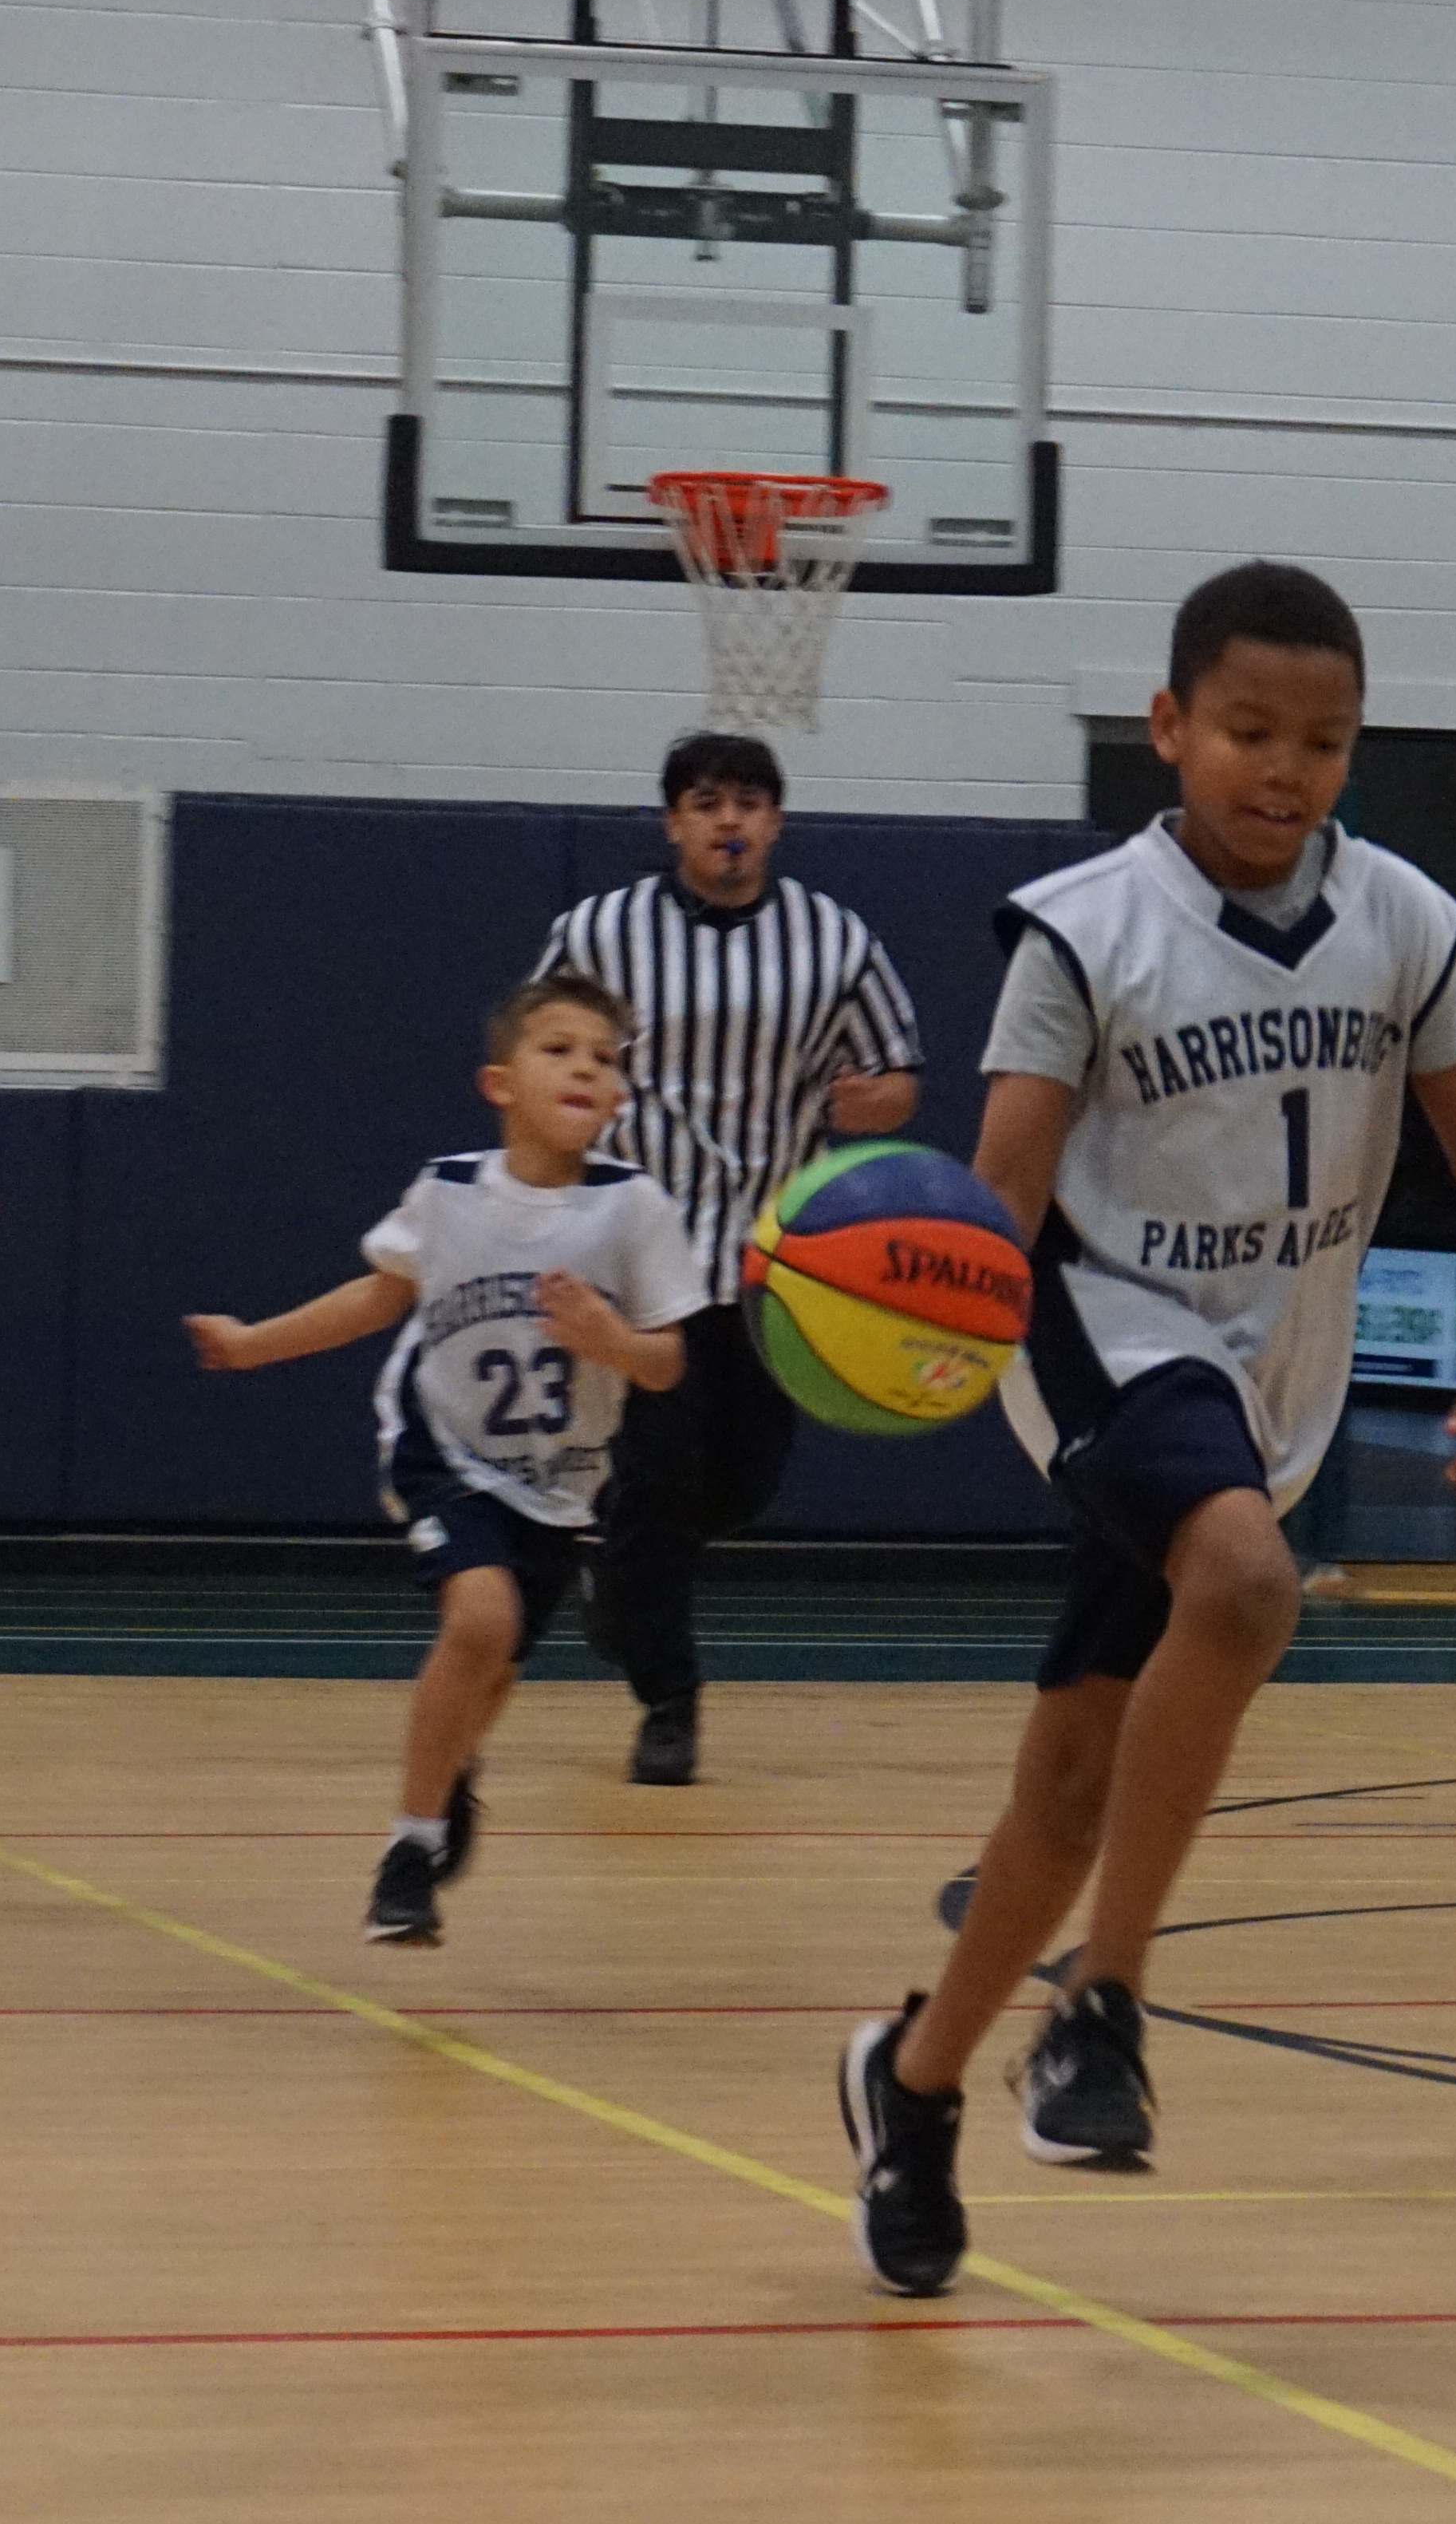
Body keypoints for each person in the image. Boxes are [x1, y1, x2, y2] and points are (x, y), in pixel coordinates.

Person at [836, 562, 1456, 2299]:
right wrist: (883, 1320)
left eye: (1324, 739)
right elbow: (1002, 1194)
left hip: (1270, 1374)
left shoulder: (1404, 921)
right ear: (1167, 728)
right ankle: (1106, 2003)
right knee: (1242, 1587)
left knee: (1071, 1784)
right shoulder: (1083, 929)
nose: (1284, 766)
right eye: (1247, 728)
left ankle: (915, 2080)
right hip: (1105, 1330)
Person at [187, 974, 706, 1947]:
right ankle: (409, 1850)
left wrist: (609, 1338)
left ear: (621, 1096)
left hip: (562, 1482)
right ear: (499, 1082)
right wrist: (256, 1342)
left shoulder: (636, 1210)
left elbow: (669, 1363)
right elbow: (377, 1297)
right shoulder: (451, 1189)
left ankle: (452, 1770)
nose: (586, 1067)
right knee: (481, 1618)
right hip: (446, 1446)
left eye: (605, 1057)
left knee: (493, 1669)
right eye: (561, 1048)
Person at [535, 732, 921, 1787]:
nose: (729, 821)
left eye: (750, 803)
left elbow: (899, 1077)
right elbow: (540, 1048)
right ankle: (670, 1702)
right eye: (707, 803)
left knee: (742, 1486)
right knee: (661, 1480)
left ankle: (621, 1576)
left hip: (771, 1262)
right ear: (673, 822)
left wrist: (873, 1103)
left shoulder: (834, 941)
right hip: (643, 1258)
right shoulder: (600, 932)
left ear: (777, 823)